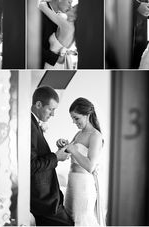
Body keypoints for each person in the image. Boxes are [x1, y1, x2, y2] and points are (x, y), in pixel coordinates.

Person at [57, 97, 106, 226]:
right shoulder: (79, 134)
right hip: (72, 183)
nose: (74, 122)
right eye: (72, 118)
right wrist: (63, 146)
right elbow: (68, 155)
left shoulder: (95, 135)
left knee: (81, 220)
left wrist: (73, 150)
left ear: (88, 115)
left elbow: (90, 166)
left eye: (76, 118)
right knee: (69, 219)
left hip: (83, 186)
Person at [30, 86, 74, 226]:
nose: (53, 114)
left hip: (47, 199)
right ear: (38, 104)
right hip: (42, 201)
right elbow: (30, 165)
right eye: (51, 109)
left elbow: (38, 156)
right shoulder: (29, 125)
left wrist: (57, 152)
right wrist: (56, 157)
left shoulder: (34, 124)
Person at [41, 0, 74, 68]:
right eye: (69, 2)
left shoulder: (59, 17)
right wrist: (56, 58)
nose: (70, 7)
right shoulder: (39, 14)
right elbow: (32, 45)